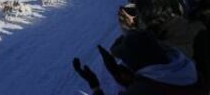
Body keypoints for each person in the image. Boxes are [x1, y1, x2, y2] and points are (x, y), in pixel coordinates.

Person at [73, 30, 207, 95]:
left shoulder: (143, 91)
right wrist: (115, 71)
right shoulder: (188, 69)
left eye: (125, 60)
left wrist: (95, 86)